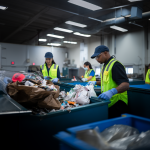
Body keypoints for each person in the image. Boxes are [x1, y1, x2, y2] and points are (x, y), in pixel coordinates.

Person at [86, 45, 129, 119]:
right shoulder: (104, 66)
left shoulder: (116, 65)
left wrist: (112, 92)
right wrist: (95, 82)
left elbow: (126, 84)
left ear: (105, 53)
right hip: (109, 102)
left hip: (118, 103)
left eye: (98, 56)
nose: (97, 59)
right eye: (96, 57)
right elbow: (105, 82)